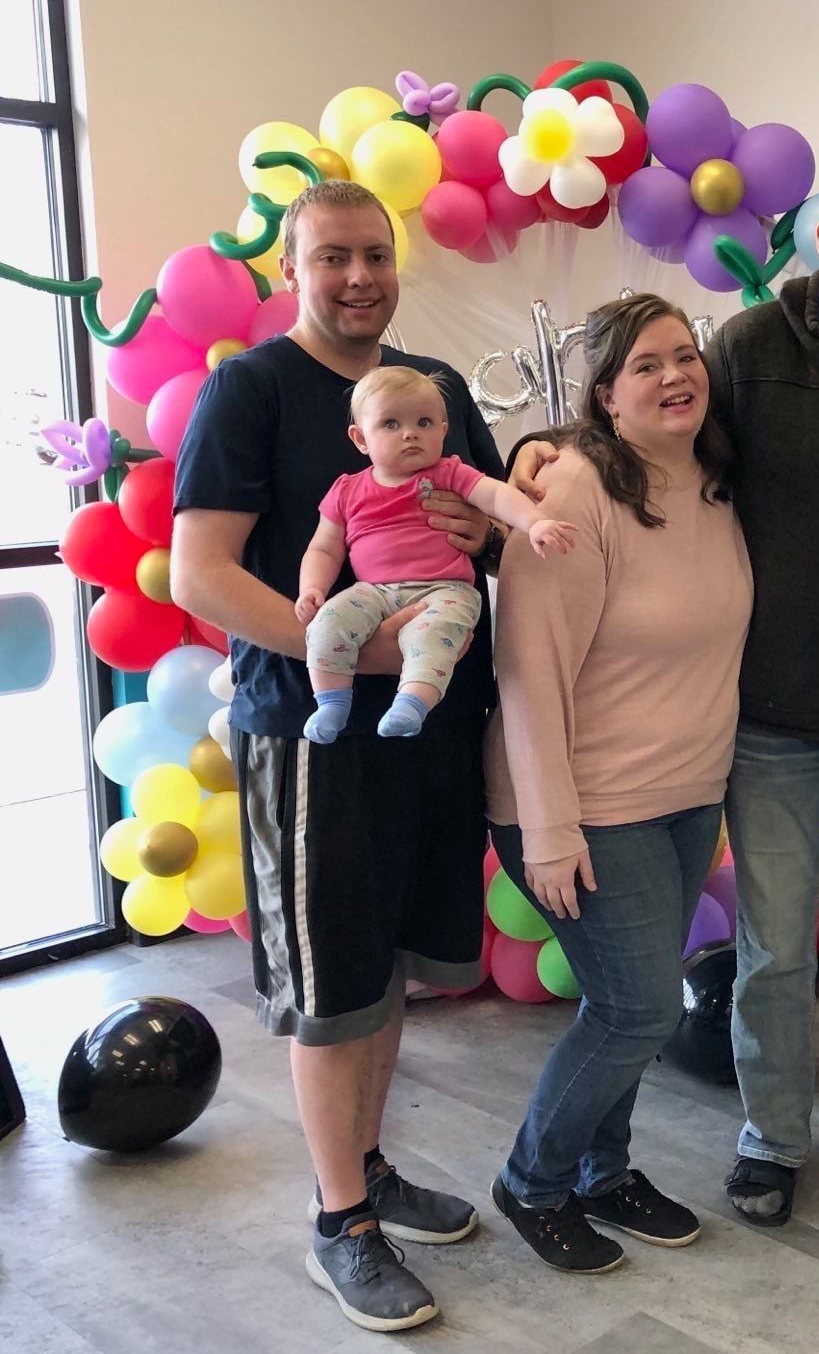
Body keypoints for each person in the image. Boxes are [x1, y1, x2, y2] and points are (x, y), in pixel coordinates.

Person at [512, 151, 819, 1226]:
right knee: (774, 949)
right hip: (767, 718)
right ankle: (771, 1136)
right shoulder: (749, 347)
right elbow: (650, 425)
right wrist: (547, 457)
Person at [171, 180, 499, 1333]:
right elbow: (199, 572)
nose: (358, 276)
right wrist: (343, 653)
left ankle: (366, 1161)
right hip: (313, 733)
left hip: (430, 727)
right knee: (326, 989)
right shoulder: (249, 389)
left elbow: (491, 523)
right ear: (290, 270)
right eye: (333, 257)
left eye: (375, 254)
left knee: (389, 965)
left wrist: (480, 532)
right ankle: (338, 1220)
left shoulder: (433, 390)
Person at [485, 294, 752, 1273]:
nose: (675, 374)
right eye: (647, 363)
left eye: (686, 355)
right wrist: (550, 827)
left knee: (622, 1000)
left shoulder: (719, 481)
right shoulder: (574, 494)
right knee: (638, 1005)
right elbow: (528, 668)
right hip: (583, 806)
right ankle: (532, 1177)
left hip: (685, 794)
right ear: (604, 393)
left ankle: (606, 1169)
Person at [298, 365, 572, 743]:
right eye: (391, 424)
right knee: (327, 622)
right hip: (374, 592)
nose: (410, 433)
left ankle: (412, 704)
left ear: (444, 430)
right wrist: (312, 588)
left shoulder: (448, 473)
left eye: (424, 422)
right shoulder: (347, 490)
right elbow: (323, 547)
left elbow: (495, 495)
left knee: (434, 636)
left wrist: (534, 522)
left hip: (445, 590)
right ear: (361, 438)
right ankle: (330, 701)